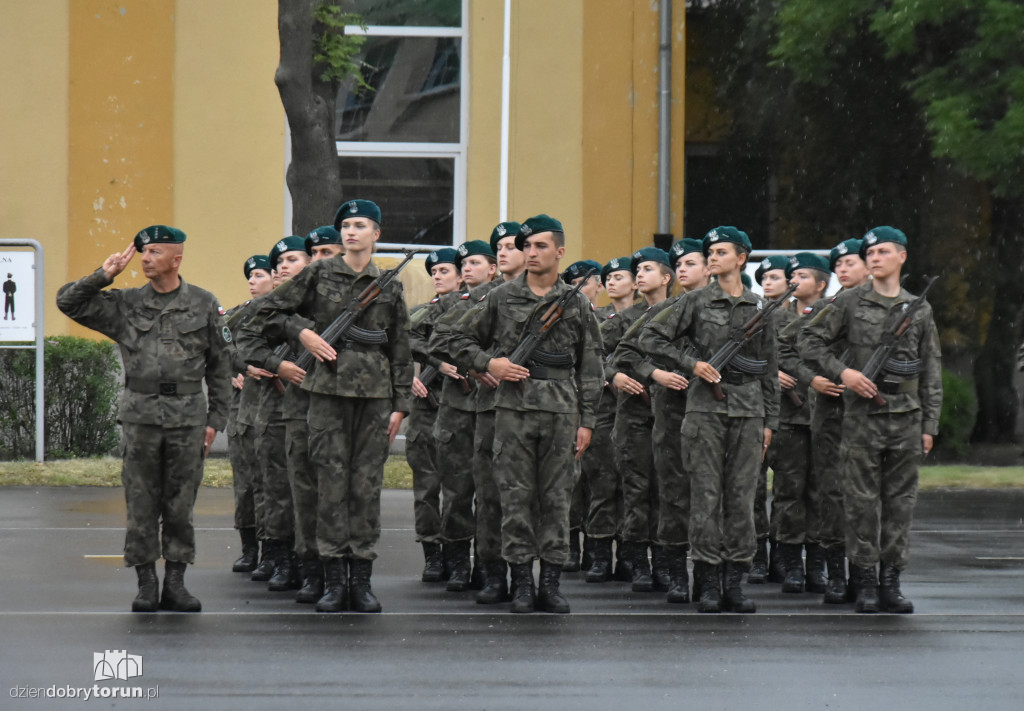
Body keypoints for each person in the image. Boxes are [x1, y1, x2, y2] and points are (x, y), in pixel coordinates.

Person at [241, 199, 413, 613]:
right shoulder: (318, 273)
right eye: (346, 226)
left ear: (377, 234)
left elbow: (401, 347)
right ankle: (334, 579)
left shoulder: (388, 283)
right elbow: (267, 312)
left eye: (361, 225)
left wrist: (400, 405)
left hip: (373, 399)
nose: (352, 232)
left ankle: (362, 580)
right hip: (325, 395)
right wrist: (303, 333)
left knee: (366, 488)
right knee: (330, 488)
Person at [57, 225, 232, 612]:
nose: (145, 259)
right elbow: (68, 303)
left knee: (180, 503)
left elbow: (221, 366)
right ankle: (146, 583)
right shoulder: (127, 303)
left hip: (188, 417)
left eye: (154, 252)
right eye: (143, 252)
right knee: (140, 502)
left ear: (176, 258)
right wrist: (104, 275)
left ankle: (176, 583)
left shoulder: (204, 303)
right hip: (140, 417)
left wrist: (216, 420)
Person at [448, 215, 604, 613]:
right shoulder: (501, 298)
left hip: (561, 412)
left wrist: (587, 420)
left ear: (560, 252)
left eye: (539, 246)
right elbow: (455, 338)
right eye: (526, 247)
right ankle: (519, 582)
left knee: (556, 500)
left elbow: (590, 366)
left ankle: (549, 583)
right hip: (512, 411)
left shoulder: (577, 302)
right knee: (514, 498)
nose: (530, 253)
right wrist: (488, 364)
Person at [800, 226, 941, 613]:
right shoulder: (849, 303)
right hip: (861, 416)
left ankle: (891, 581)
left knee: (900, 504)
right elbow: (809, 341)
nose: (875, 258)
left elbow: (931, 368)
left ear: (901, 257)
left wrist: (930, 424)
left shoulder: (919, 308)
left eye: (882, 252)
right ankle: (863, 580)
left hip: (907, 417)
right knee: (860, 502)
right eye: (870, 253)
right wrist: (843, 373)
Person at [639, 226, 779, 614]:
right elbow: (651, 338)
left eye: (720, 252)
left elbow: (768, 368)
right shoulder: (696, 302)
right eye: (710, 252)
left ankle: (735, 581)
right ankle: (707, 582)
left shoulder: (759, 307)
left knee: (742, 498)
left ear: (741, 258)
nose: (713, 257)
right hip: (704, 413)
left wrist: (770, 422)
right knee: (705, 497)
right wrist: (692, 364)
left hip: (749, 412)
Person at [779, 238, 869, 603]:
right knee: (826, 494)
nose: (843, 270)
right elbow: (785, 347)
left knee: (867, 498)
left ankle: (868, 575)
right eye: (839, 265)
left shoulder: (896, 309)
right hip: (830, 415)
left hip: (873, 416)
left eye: (850, 263)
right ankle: (831, 572)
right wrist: (810, 378)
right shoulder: (827, 309)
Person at [427, 239, 497, 592]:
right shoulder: (452, 304)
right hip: (456, 411)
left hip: (493, 408)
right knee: (455, 491)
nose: (466, 268)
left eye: (474, 263)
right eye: (464, 263)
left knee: (490, 494)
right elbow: (423, 338)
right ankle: (456, 563)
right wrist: (443, 363)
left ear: (493, 268)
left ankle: (486, 564)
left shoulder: (507, 302)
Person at [608, 247, 674, 593]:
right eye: (638, 270)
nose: (641, 275)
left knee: (666, 491)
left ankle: (662, 560)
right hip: (634, 416)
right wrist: (615, 376)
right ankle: (635, 560)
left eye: (648, 269)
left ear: (666, 277)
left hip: (670, 414)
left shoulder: (681, 311)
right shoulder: (625, 318)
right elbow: (603, 357)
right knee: (636, 489)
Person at [766, 252, 831, 594]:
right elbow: (757, 356)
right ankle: (789, 562)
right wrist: (773, 374)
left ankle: (817, 563)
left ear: (821, 283)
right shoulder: (774, 316)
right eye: (791, 276)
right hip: (789, 416)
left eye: (802, 276)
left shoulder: (836, 314)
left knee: (819, 492)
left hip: (824, 416)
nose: (794, 281)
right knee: (789, 491)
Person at [579, 256, 636, 583]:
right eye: (608, 278)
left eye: (619, 276)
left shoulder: (646, 317)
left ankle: (629, 554)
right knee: (601, 482)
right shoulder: (597, 319)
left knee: (632, 486)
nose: (612, 282)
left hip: (633, 409)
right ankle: (599, 553)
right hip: (602, 409)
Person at [407, 247, 461, 582]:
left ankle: (457, 556)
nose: (438, 277)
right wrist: (410, 376)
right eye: (435, 272)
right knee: (426, 489)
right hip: (425, 409)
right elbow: (401, 342)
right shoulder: (420, 313)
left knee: (458, 488)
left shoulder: (475, 310)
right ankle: (432, 554)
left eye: (445, 271)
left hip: (457, 406)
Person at [224, 254, 274, 574]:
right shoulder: (236, 316)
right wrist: (228, 370)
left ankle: (273, 551)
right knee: (245, 484)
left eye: (258, 275)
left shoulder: (286, 315)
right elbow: (213, 346)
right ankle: (248, 549)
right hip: (241, 410)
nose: (252, 281)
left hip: (272, 408)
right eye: (250, 277)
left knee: (272, 485)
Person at [750, 254, 795, 585]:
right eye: (764, 278)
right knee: (752, 489)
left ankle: (785, 556)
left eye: (775, 277)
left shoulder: (805, 318)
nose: (768, 282)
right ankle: (757, 555)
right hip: (757, 409)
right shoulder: (754, 316)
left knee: (788, 491)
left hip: (795, 415)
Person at [560, 258, 604, 571]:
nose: (582, 289)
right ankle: (571, 546)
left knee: (601, 484)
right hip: (574, 406)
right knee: (573, 484)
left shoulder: (610, 318)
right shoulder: (567, 316)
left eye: (586, 282)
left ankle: (597, 549)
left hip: (607, 410)